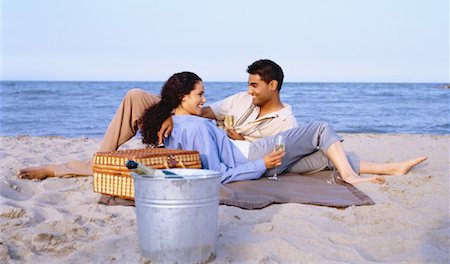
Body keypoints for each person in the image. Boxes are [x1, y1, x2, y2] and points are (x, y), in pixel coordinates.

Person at [18, 59, 298, 179]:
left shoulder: (287, 123)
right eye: (248, 85)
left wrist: (239, 137)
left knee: (134, 166)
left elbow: (256, 152)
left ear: (272, 86)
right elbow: (204, 111)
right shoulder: (240, 99)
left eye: (254, 86)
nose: (248, 90)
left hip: (218, 145)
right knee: (135, 95)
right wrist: (170, 113)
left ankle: (79, 166)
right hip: (190, 124)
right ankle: (102, 158)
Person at [140, 71, 427, 184]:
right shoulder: (196, 127)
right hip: (252, 155)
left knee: (327, 155)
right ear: (182, 97)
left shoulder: (174, 122)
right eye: (199, 95)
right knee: (320, 129)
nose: (204, 100)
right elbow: (218, 174)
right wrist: (261, 163)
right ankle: (351, 176)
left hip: (249, 153)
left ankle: (392, 168)